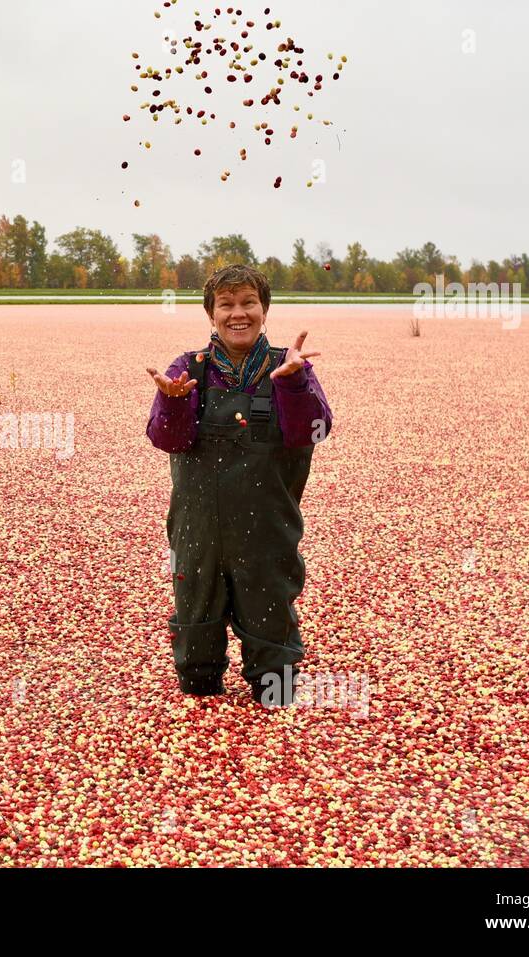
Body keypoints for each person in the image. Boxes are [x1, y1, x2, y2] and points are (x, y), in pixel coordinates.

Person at [145, 264, 333, 707]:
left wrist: (293, 386)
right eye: (226, 304)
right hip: (198, 531)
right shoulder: (189, 368)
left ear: (264, 310)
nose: (238, 313)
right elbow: (165, 439)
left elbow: (314, 432)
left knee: (275, 664)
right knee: (196, 644)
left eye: (248, 302)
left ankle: (273, 692)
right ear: (211, 314)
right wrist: (172, 403)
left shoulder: (288, 366)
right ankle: (202, 691)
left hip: (268, 529)